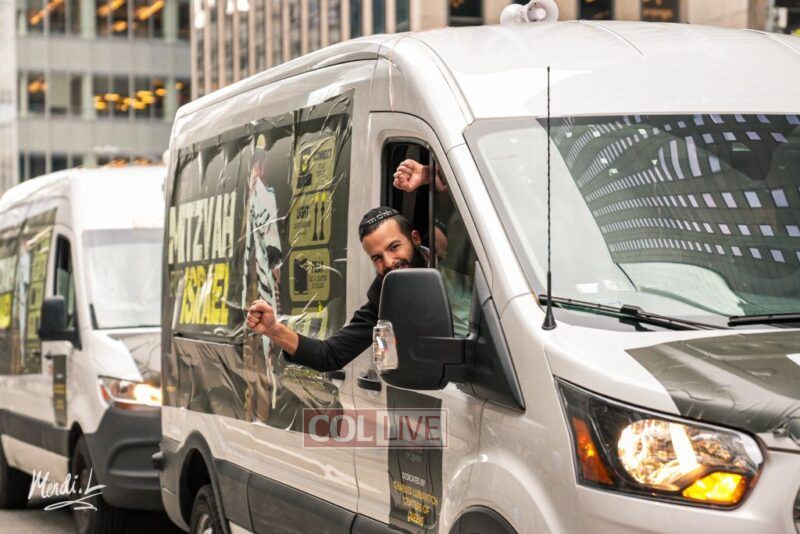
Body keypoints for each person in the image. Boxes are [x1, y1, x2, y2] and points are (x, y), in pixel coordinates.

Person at [246, 206, 429, 372]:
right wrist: (273, 329)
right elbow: (330, 355)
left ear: (415, 239)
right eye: (377, 258)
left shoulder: (447, 265)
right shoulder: (382, 301)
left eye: (394, 247)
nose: (389, 262)